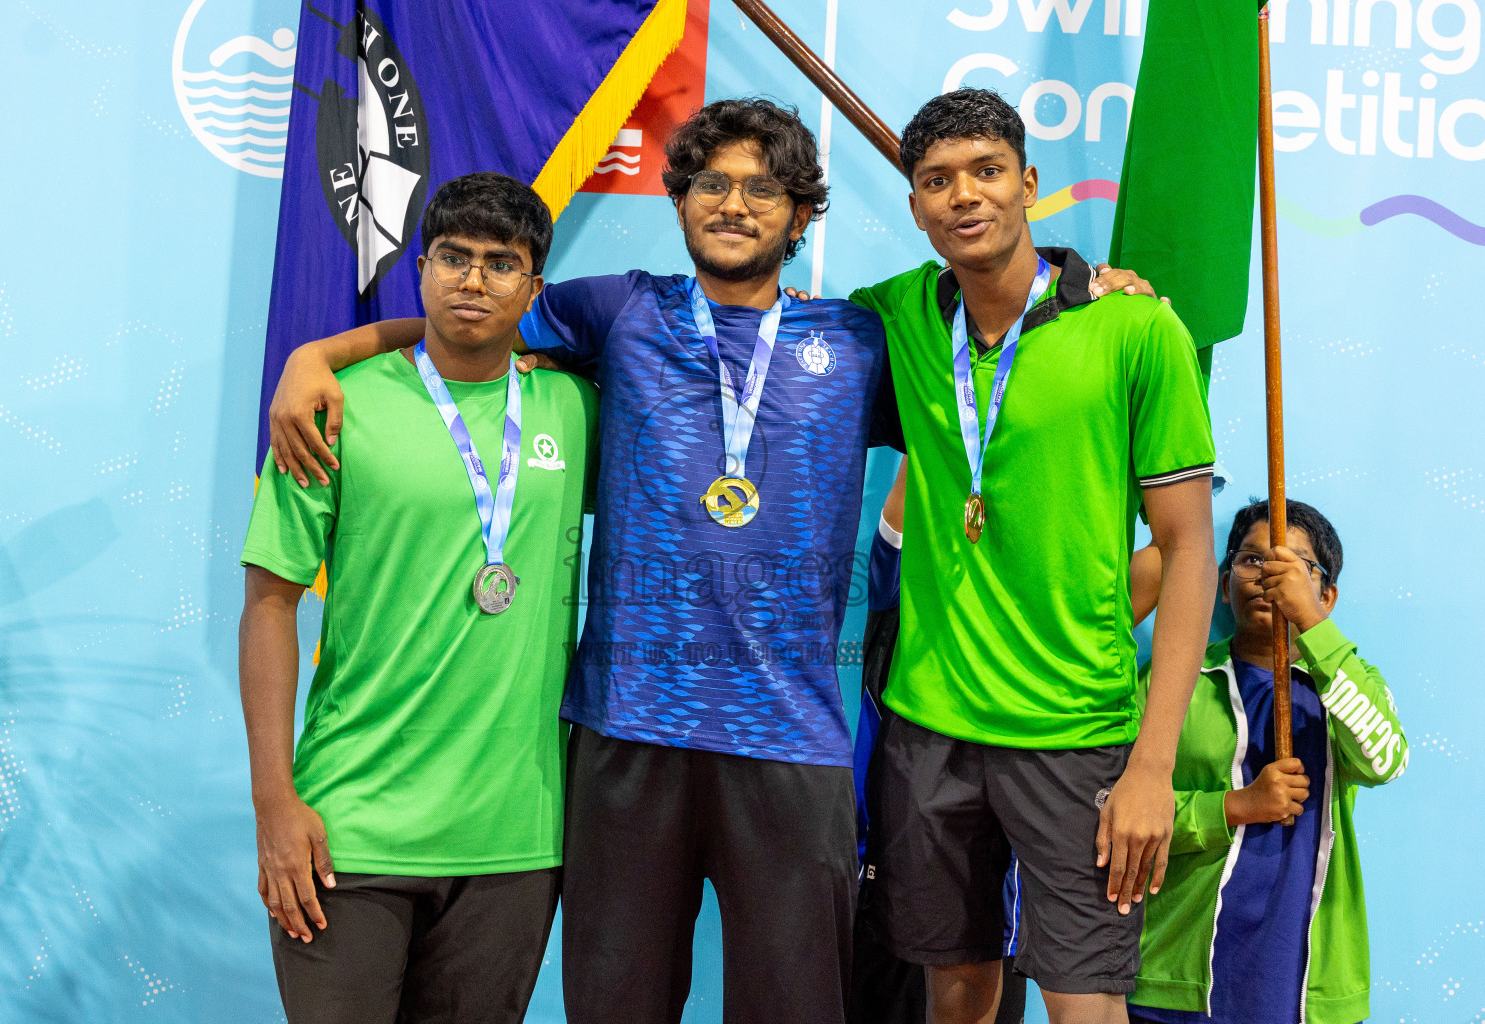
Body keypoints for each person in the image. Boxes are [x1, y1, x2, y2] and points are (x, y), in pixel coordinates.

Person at [264, 98, 1154, 1024]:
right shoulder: (617, 310)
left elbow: (988, 341)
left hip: (792, 744)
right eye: (711, 185)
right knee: (617, 1008)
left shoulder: (862, 341)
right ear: (679, 201)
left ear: (803, 215)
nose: (734, 204)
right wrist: (318, 354)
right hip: (627, 734)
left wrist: (1087, 286)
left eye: (762, 188)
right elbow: (472, 322)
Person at [850, 88, 1218, 1024]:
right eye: (936, 180)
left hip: (1075, 732)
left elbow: (1186, 551)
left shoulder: (1136, 328)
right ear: (915, 204)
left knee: (1084, 1003)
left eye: (986, 171)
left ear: (1030, 184)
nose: (963, 197)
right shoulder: (892, 316)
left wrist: (1151, 767)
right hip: (929, 727)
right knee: (957, 991)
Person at [236, 173, 597, 1024]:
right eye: (453, 258)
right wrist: (274, 803)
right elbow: (268, 607)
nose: (473, 280)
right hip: (350, 829)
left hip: (514, 839)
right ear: (421, 270)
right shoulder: (330, 410)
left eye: (500, 264)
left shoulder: (577, 408)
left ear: (533, 289)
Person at [1126, 499, 1408, 1024]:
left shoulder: (1348, 681)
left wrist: (1310, 625)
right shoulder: (1170, 683)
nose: (1269, 575)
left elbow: (1384, 759)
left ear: (1327, 594)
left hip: (1304, 982)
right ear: (1221, 579)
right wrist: (1233, 807)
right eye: (1251, 559)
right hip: (1176, 974)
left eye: (1296, 566)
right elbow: (1122, 814)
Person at [850, 460, 1026, 1024]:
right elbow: (920, 467)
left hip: (983, 883)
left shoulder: (1029, 623)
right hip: (881, 867)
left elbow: (1157, 569)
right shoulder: (900, 585)